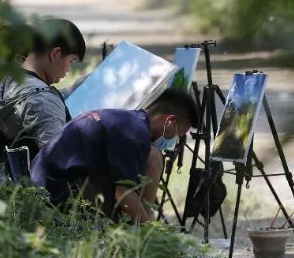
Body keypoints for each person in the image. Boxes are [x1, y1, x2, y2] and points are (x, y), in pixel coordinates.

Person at [30, 89, 199, 224]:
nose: (175, 140)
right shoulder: (134, 136)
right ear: (169, 120)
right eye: (178, 134)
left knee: (153, 156)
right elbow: (124, 196)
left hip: (44, 179)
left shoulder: (128, 120)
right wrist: (153, 236)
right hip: (55, 194)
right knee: (128, 212)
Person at [0, 18, 86, 159]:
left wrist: (76, 87)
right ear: (55, 54)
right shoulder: (45, 102)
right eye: (71, 61)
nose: (68, 69)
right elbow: (59, 162)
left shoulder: (12, 75)